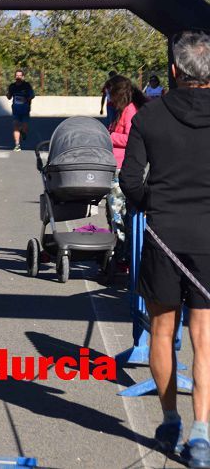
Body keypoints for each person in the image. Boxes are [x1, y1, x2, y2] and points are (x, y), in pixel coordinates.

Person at [120, 31, 210, 466]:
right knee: (205, 338)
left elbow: (129, 181)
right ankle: (202, 437)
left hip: (163, 237)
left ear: (173, 72)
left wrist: (152, 207)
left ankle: (170, 418)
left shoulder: (149, 117)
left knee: (161, 331)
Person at [104, 75, 146, 267]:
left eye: (110, 94)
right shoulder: (122, 110)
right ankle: (121, 253)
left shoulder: (130, 111)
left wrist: (110, 136)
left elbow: (131, 138)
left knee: (118, 213)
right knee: (114, 213)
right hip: (115, 165)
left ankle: (123, 255)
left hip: (122, 167)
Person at [6, 69, 35, 151]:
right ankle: (17, 144)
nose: (18, 77)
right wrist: (8, 94)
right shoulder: (12, 86)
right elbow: (9, 97)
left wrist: (28, 99)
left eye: (20, 75)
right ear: (15, 77)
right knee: (15, 126)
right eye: (17, 75)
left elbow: (32, 95)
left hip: (25, 110)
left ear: (23, 77)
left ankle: (23, 132)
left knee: (25, 127)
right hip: (16, 110)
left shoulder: (27, 85)